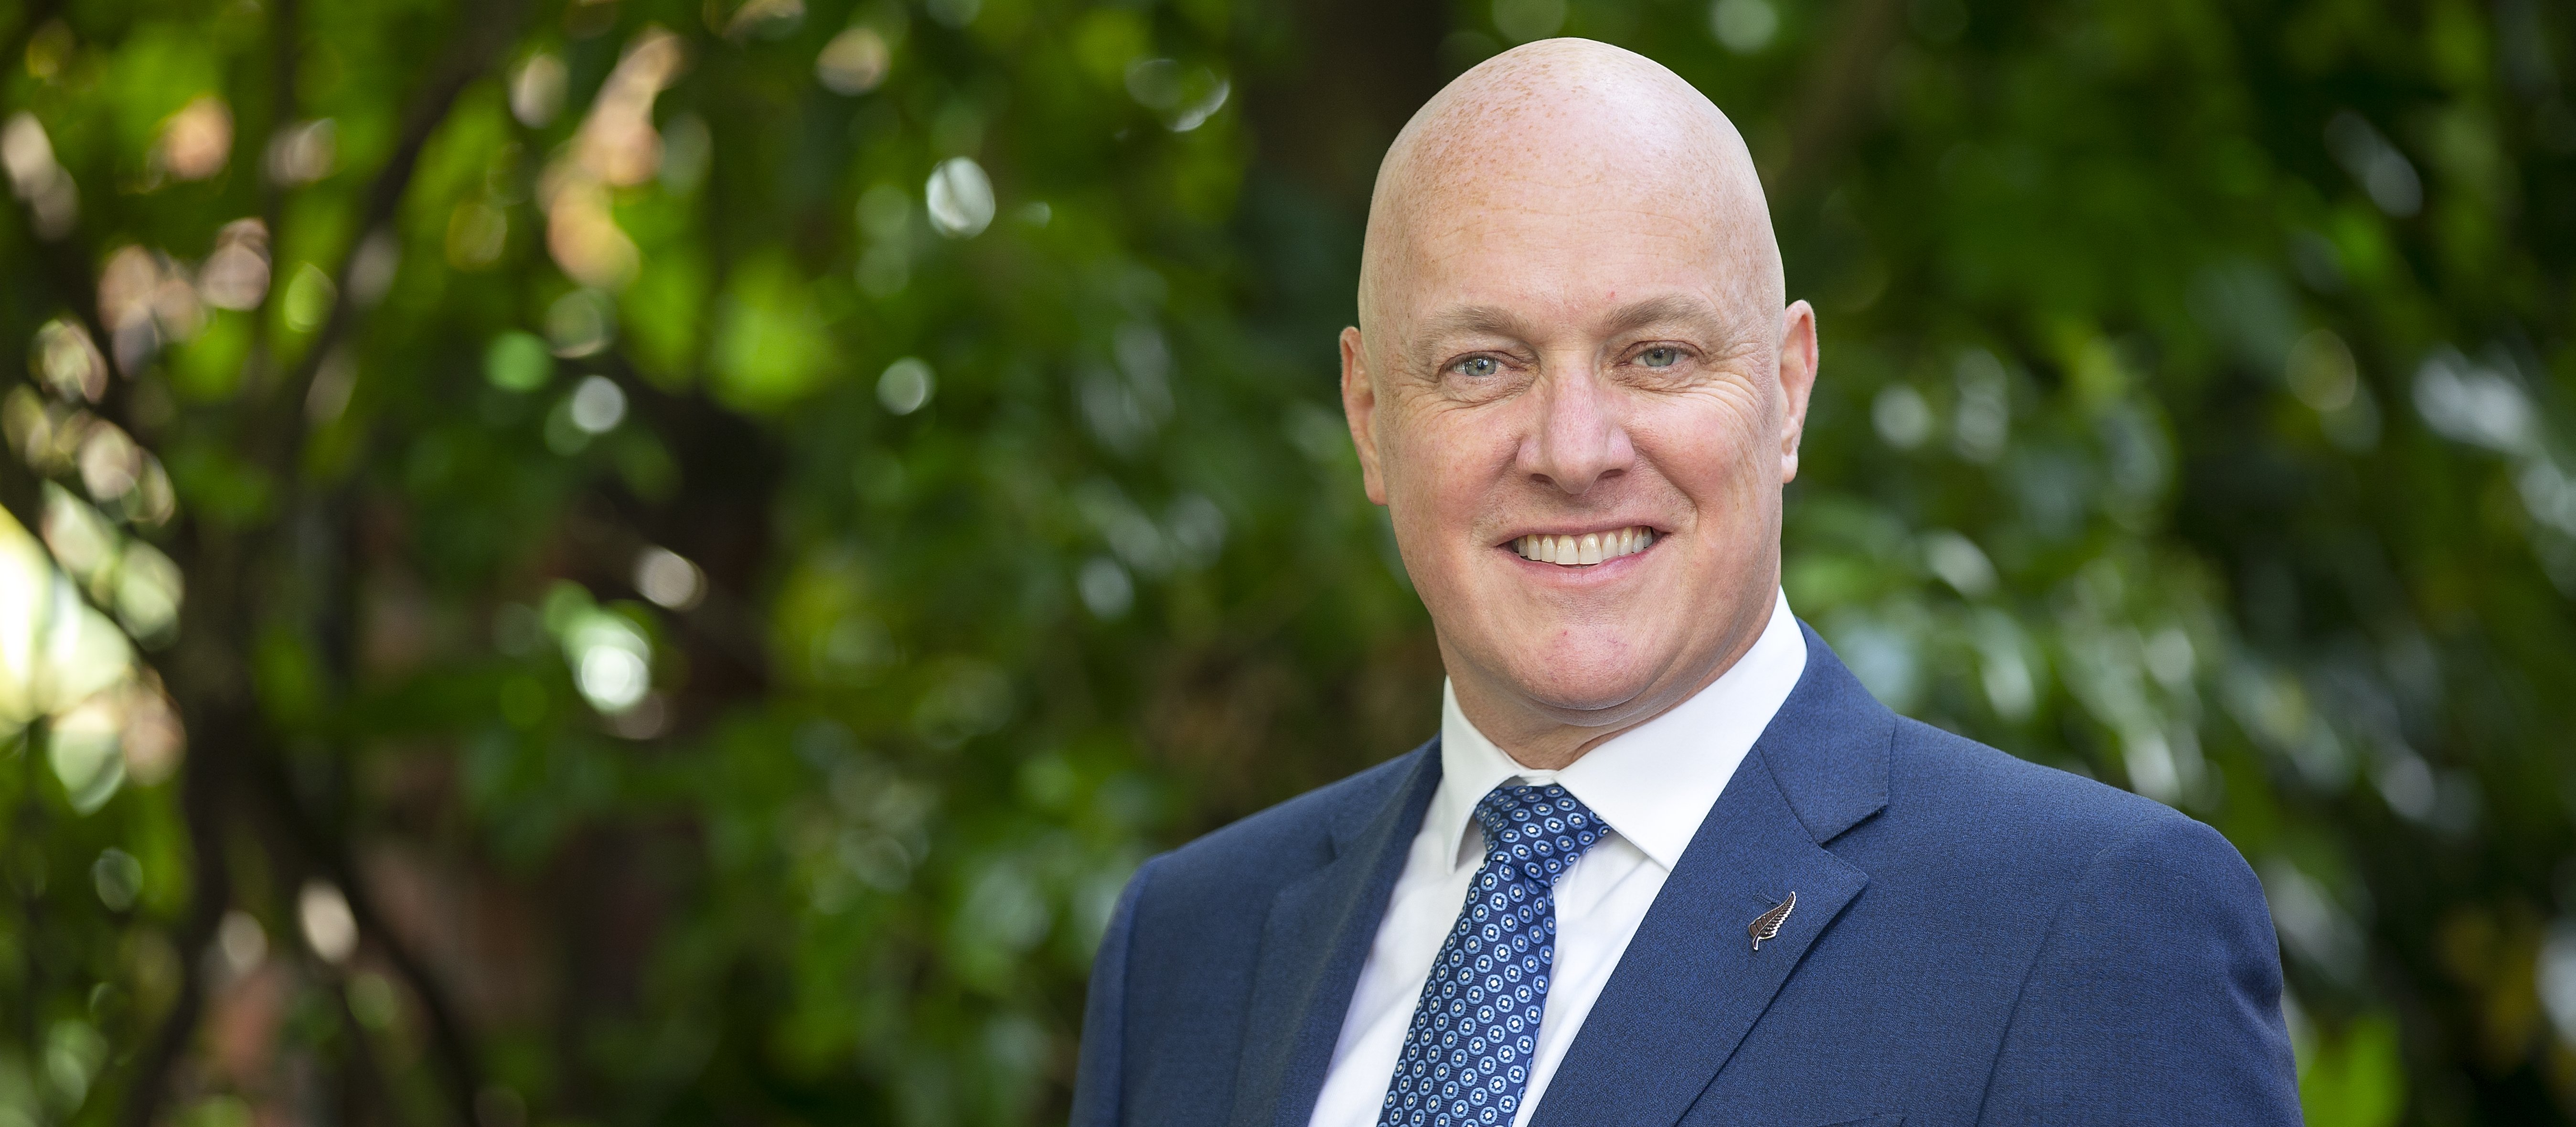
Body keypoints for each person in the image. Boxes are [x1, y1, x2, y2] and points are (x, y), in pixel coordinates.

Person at [1071, 38, 2300, 1127]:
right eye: (1483, 362)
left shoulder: (2084, 929)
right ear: (1370, 414)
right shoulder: (1189, 948)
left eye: (1656, 354)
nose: (1573, 448)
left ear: (1788, 388)